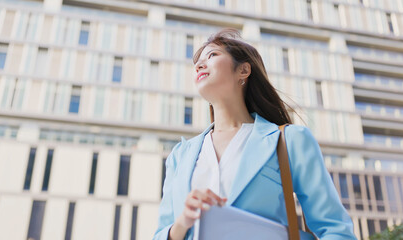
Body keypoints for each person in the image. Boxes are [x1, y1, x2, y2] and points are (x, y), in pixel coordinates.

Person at [153, 28, 356, 240]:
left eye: (212, 55)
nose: (199, 65)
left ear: (243, 70)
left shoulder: (290, 141)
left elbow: (335, 230)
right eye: (197, 62)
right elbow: (160, 234)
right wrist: (183, 223)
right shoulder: (179, 156)